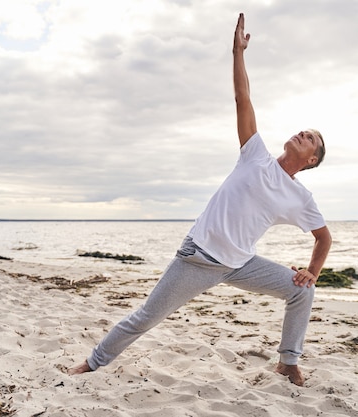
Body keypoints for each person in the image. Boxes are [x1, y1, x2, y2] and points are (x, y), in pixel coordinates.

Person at [68, 12, 332, 387]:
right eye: (304, 131)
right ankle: (94, 362)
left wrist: (312, 271)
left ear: (310, 161)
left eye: (312, 139)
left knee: (302, 291)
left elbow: (324, 237)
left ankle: (288, 363)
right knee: (146, 316)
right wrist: (237, 52)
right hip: (199, 257)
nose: (303, 133)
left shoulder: (300, 196)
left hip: (241, 264)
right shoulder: (255, 153)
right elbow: (243, 97)